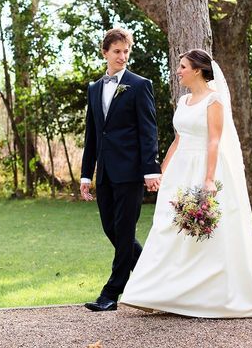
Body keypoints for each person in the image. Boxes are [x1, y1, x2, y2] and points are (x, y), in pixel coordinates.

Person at [121, 49, 252, 319]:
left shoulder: (214, 101)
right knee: (166, 227)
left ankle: (208, 297)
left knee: (206, 233)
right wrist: (161, 170)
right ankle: (150, 293)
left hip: (205, 167)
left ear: (197, 69)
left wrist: (208, 179)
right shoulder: (184, 101)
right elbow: (178, 139)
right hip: (180, 169)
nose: (178, 71)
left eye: (182, 66)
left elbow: (214, 141)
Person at [80, 27, 161, 312]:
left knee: (124, 230)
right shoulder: (94, 88)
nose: (122, 57)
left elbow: (148, 130)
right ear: (105, 53)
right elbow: (92, 135)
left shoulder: (140, 85)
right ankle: (155, 279)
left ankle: (111, 294)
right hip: (104, 175)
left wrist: (151, 169)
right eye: (117, 51)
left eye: (126, 51)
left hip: (130, 173)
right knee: (111, 229)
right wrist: (86, 174)